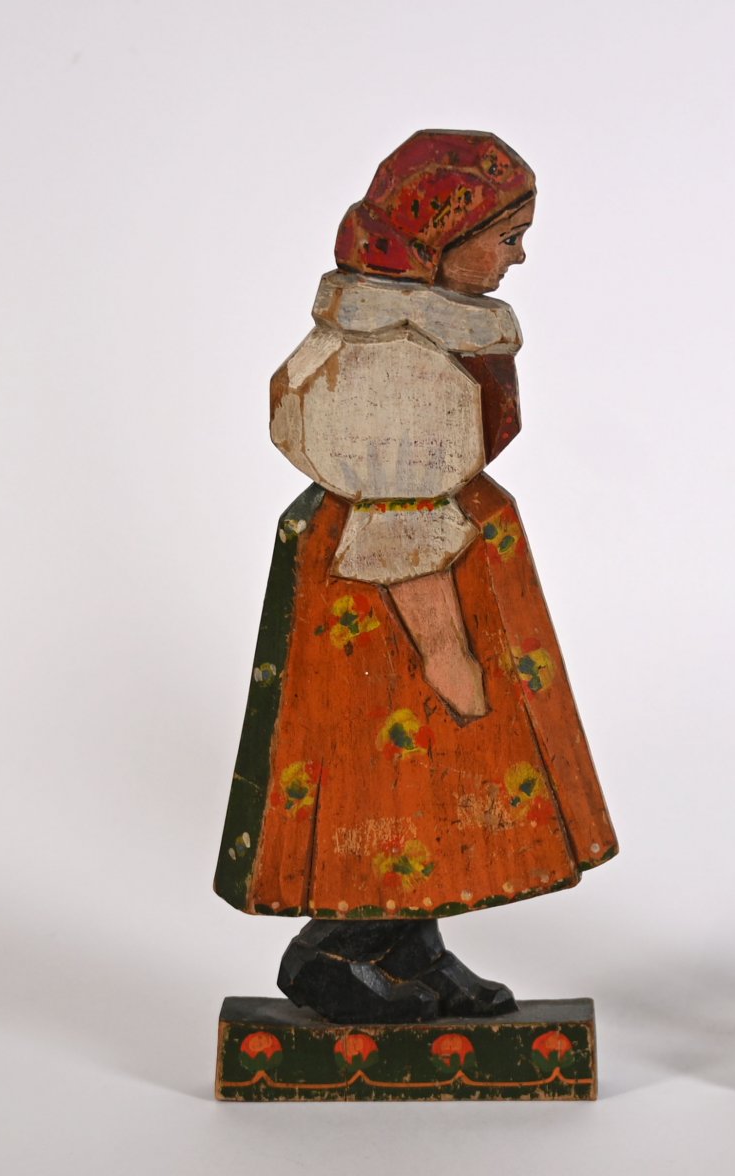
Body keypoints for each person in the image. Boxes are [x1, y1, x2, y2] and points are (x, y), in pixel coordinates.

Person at [213, 131, 617, 1024]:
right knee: (403, 762)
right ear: (439, 240)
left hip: (430, 557)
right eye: (506, 237)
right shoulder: (396, 359)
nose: (518, 257)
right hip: (391, 596)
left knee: (432, 778)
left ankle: (411, 947)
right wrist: (444, 647)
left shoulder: (423, 329)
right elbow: (400, 524)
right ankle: (333, 952)